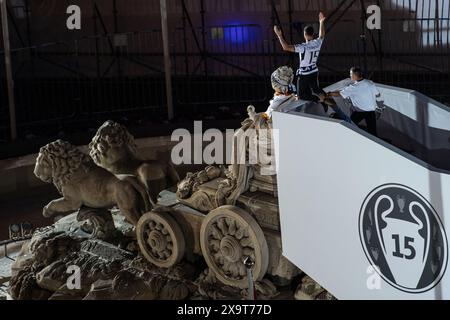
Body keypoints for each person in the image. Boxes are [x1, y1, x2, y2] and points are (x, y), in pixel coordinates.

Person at [274, 12, 328, 110]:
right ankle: (325, 100)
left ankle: (319, 100)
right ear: (312, 34)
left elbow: (285, 47)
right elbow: (322, 35)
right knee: (316, 89)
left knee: (302, 95)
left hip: (304, 73)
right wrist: (321, 22)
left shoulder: (303, 47)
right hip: (314, 71)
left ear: (305, 34)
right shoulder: (317, 43)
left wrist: (279, 35)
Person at [328, 67, 381, 137]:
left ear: (355, 75)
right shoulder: (370, 83)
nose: (350, 76)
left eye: (350, 74)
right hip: (371, 111)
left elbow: (339, 94)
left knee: (349, 126)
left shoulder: (354, 87)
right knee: (373, 132)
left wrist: (329, 94)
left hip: (360, 112)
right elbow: (378, 94)